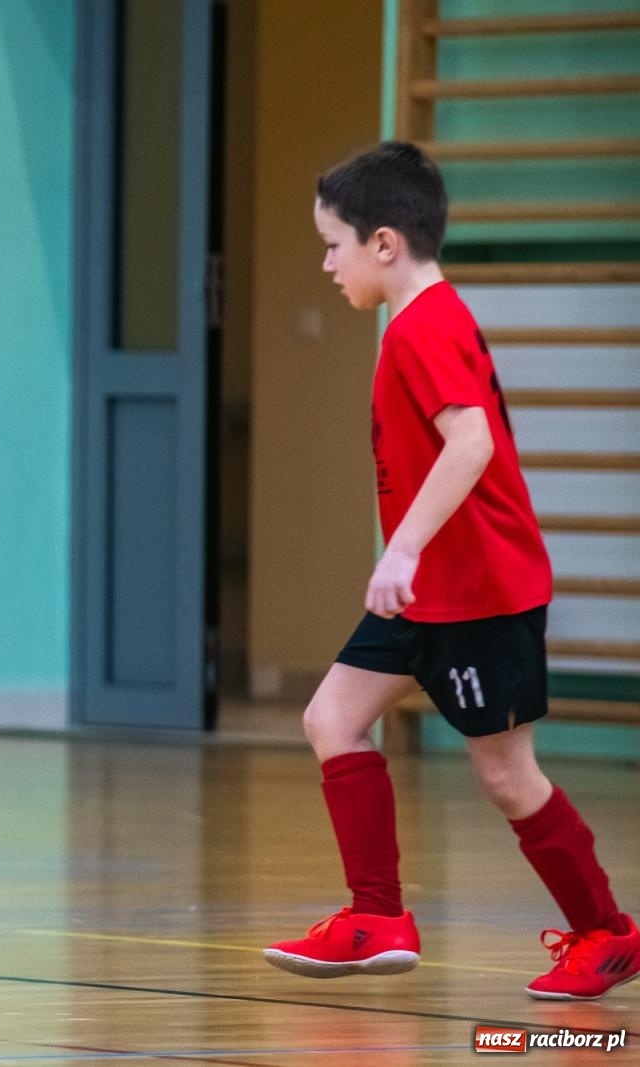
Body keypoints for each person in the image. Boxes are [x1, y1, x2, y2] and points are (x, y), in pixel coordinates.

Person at [262, 141, 639, 1001]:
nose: (326, 263)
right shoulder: (415, 324)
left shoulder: (426, 326)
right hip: (427, 595)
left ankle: (607, 934)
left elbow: (468, 441)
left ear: (385, 243)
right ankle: (377, 917)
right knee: (332, 717)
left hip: (481, 595)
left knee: (507, 775)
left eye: (334, 244)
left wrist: (401, 549)